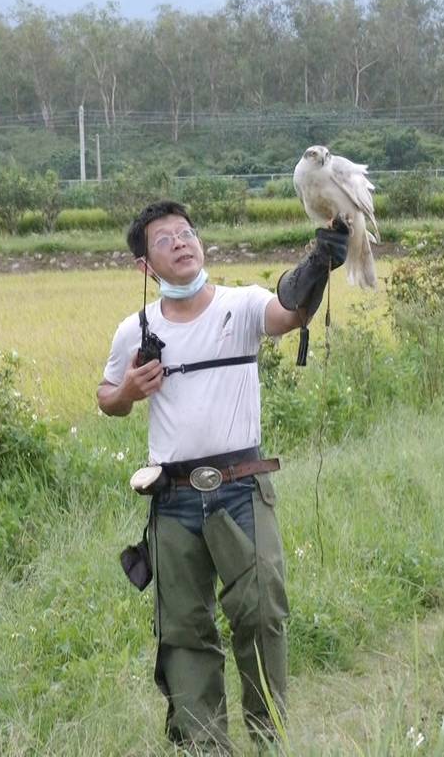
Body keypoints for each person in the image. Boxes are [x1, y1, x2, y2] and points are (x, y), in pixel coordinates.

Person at [97, 200, 347, 751]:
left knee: (262, 615)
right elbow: (106, 398)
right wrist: (129, 392)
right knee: (185, 634)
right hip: (175, 500)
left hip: (241, 489)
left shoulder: (241, 305)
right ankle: (206, 746)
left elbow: (288, 311)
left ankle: (268, 741)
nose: (181, 243)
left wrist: (317, 265)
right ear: (145, 266)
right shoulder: (134, 330)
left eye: (187, 233)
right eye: (165, 240)